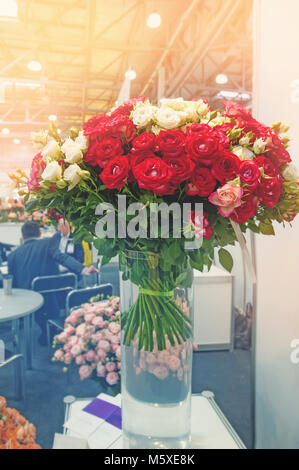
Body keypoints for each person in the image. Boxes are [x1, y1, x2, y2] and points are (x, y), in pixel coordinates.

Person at [7, 221, 98, 344]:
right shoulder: (48, 243)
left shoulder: (13, 255)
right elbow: (62, 258)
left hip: (28, 299)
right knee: (52, 291)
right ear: (39, 234)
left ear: (23, 237)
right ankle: (53, 328)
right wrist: (83, 269)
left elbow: (13, 282)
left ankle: (45, 329)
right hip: (51, 292)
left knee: (42, 298)